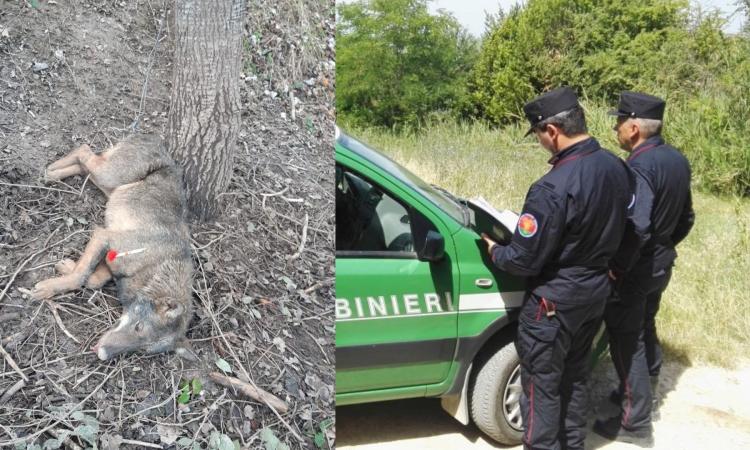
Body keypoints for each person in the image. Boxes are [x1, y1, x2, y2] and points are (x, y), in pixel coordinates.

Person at [481, 87, 634, 450]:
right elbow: (633, 229)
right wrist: (615, 270)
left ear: (551, 131)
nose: (539, 143)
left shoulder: (550, 188)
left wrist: (495, 251)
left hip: (553, 303)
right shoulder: (617, 167)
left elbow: (523, 259)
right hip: (595, 291)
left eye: (537, 135)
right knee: (575, 377)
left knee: (541, 387)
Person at [593, 91, 695, 446]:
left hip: (637, 268)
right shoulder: (677, 159)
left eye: (619, 122)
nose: (616, 128)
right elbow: (687, 218)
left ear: (634, 127)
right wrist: (664, 247)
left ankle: (635, 423)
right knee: (646, 325)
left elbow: (638, 226)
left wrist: (618, 268)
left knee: (627, 340)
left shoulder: (639, 166)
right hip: (660, 264)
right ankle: (638, 392)